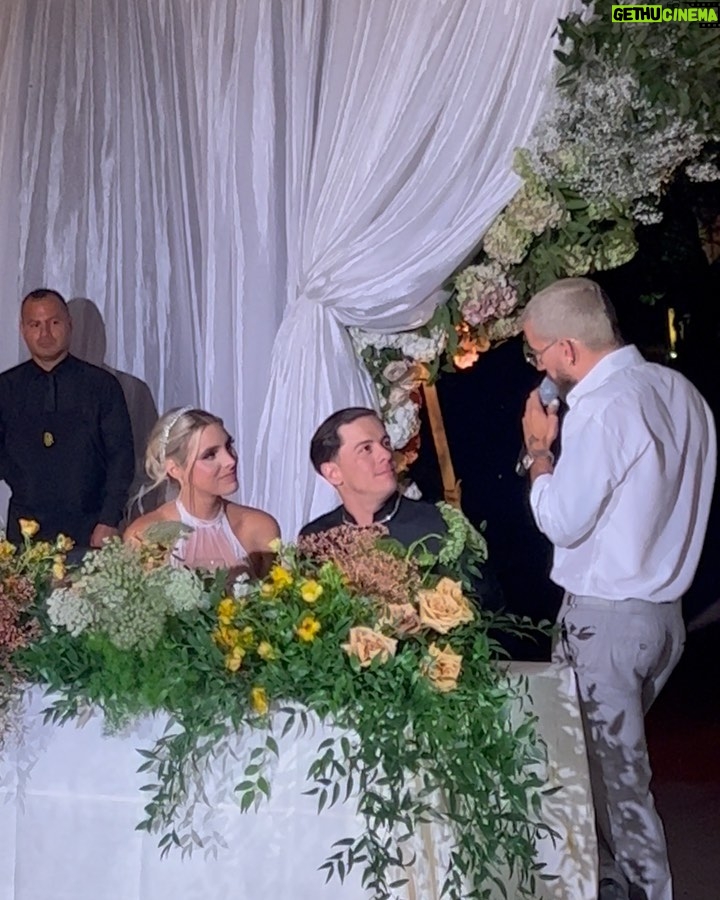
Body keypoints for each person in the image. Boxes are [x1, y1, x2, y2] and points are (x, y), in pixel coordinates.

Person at [519, 277, 716, 900]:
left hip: (604, 623)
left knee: (617, 782)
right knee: (597, 773)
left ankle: (647, 890)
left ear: (567, 349)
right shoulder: (679, 390)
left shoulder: (603, 407)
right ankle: (605, 883)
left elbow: (562, 520)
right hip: (663, 620)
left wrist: (538, 453)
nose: (539, 367)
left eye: (537, 353)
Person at [300, 407, 503, 608]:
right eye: (366, 449)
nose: (386, 454)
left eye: (385, 443)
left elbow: (489, 611)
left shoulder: (441, 524)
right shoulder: (316, 540)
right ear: (333, 473)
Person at [0, 288, 134, 549]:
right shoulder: (6, 388)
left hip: (91, 527)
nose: (45, 334)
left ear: (69, 325)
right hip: (24, 530)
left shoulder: (101, 386)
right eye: (35, 324)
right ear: (22, 329)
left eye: (54, 323)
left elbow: (121, 458)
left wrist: (109, 519)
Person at [124, 407, 279, 577]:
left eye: (228, 446)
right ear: (175, 469)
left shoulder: (258, 528)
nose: (230, 461)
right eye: (210, 455)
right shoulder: (146, 536)